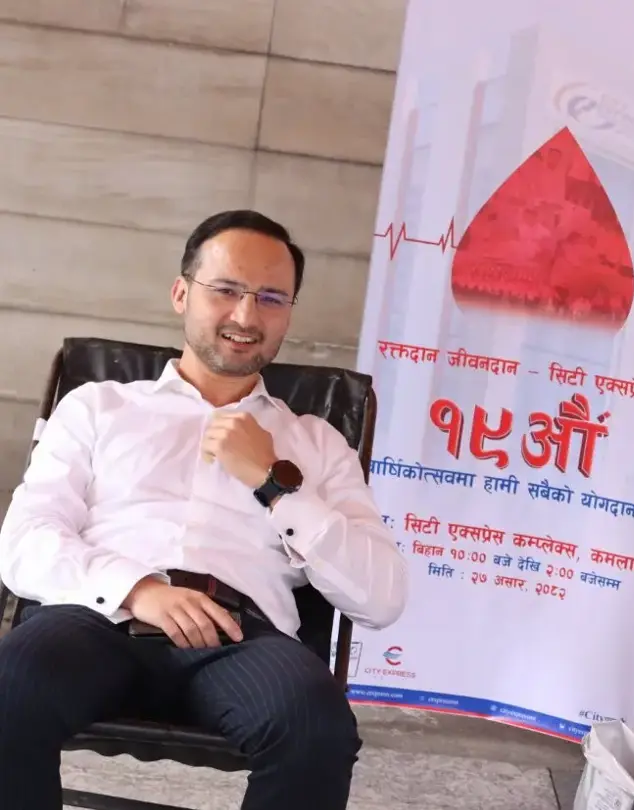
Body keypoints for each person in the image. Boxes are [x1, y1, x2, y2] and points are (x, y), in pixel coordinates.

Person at [0, 210, 409, 810]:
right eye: (226, 290)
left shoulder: (317, 443)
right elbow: (24, 538)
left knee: (315, 728)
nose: (246, 316)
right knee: (8, 688)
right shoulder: (98, 407)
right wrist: (138, 589)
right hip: (97, 615)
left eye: (271, 298)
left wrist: (274, 485)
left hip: (241, 636)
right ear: (181, 294)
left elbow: (382, 597)